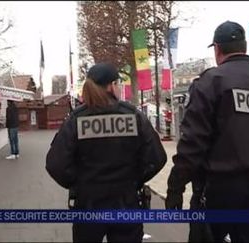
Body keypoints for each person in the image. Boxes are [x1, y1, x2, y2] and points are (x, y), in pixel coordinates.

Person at [165, 21, 249, 242]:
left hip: (217, 190)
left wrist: (175, 188)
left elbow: (193, 144)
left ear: (217, 49)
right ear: (244, 47)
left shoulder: (211, 83)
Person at [46, 63, 167, 243]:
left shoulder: (77, 120)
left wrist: (79, 184)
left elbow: (56, 164)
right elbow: (157, 158)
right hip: (126, 202)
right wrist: (134, 180)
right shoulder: (133, 116)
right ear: (111, 86)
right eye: (118, 83)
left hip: (88, 204)